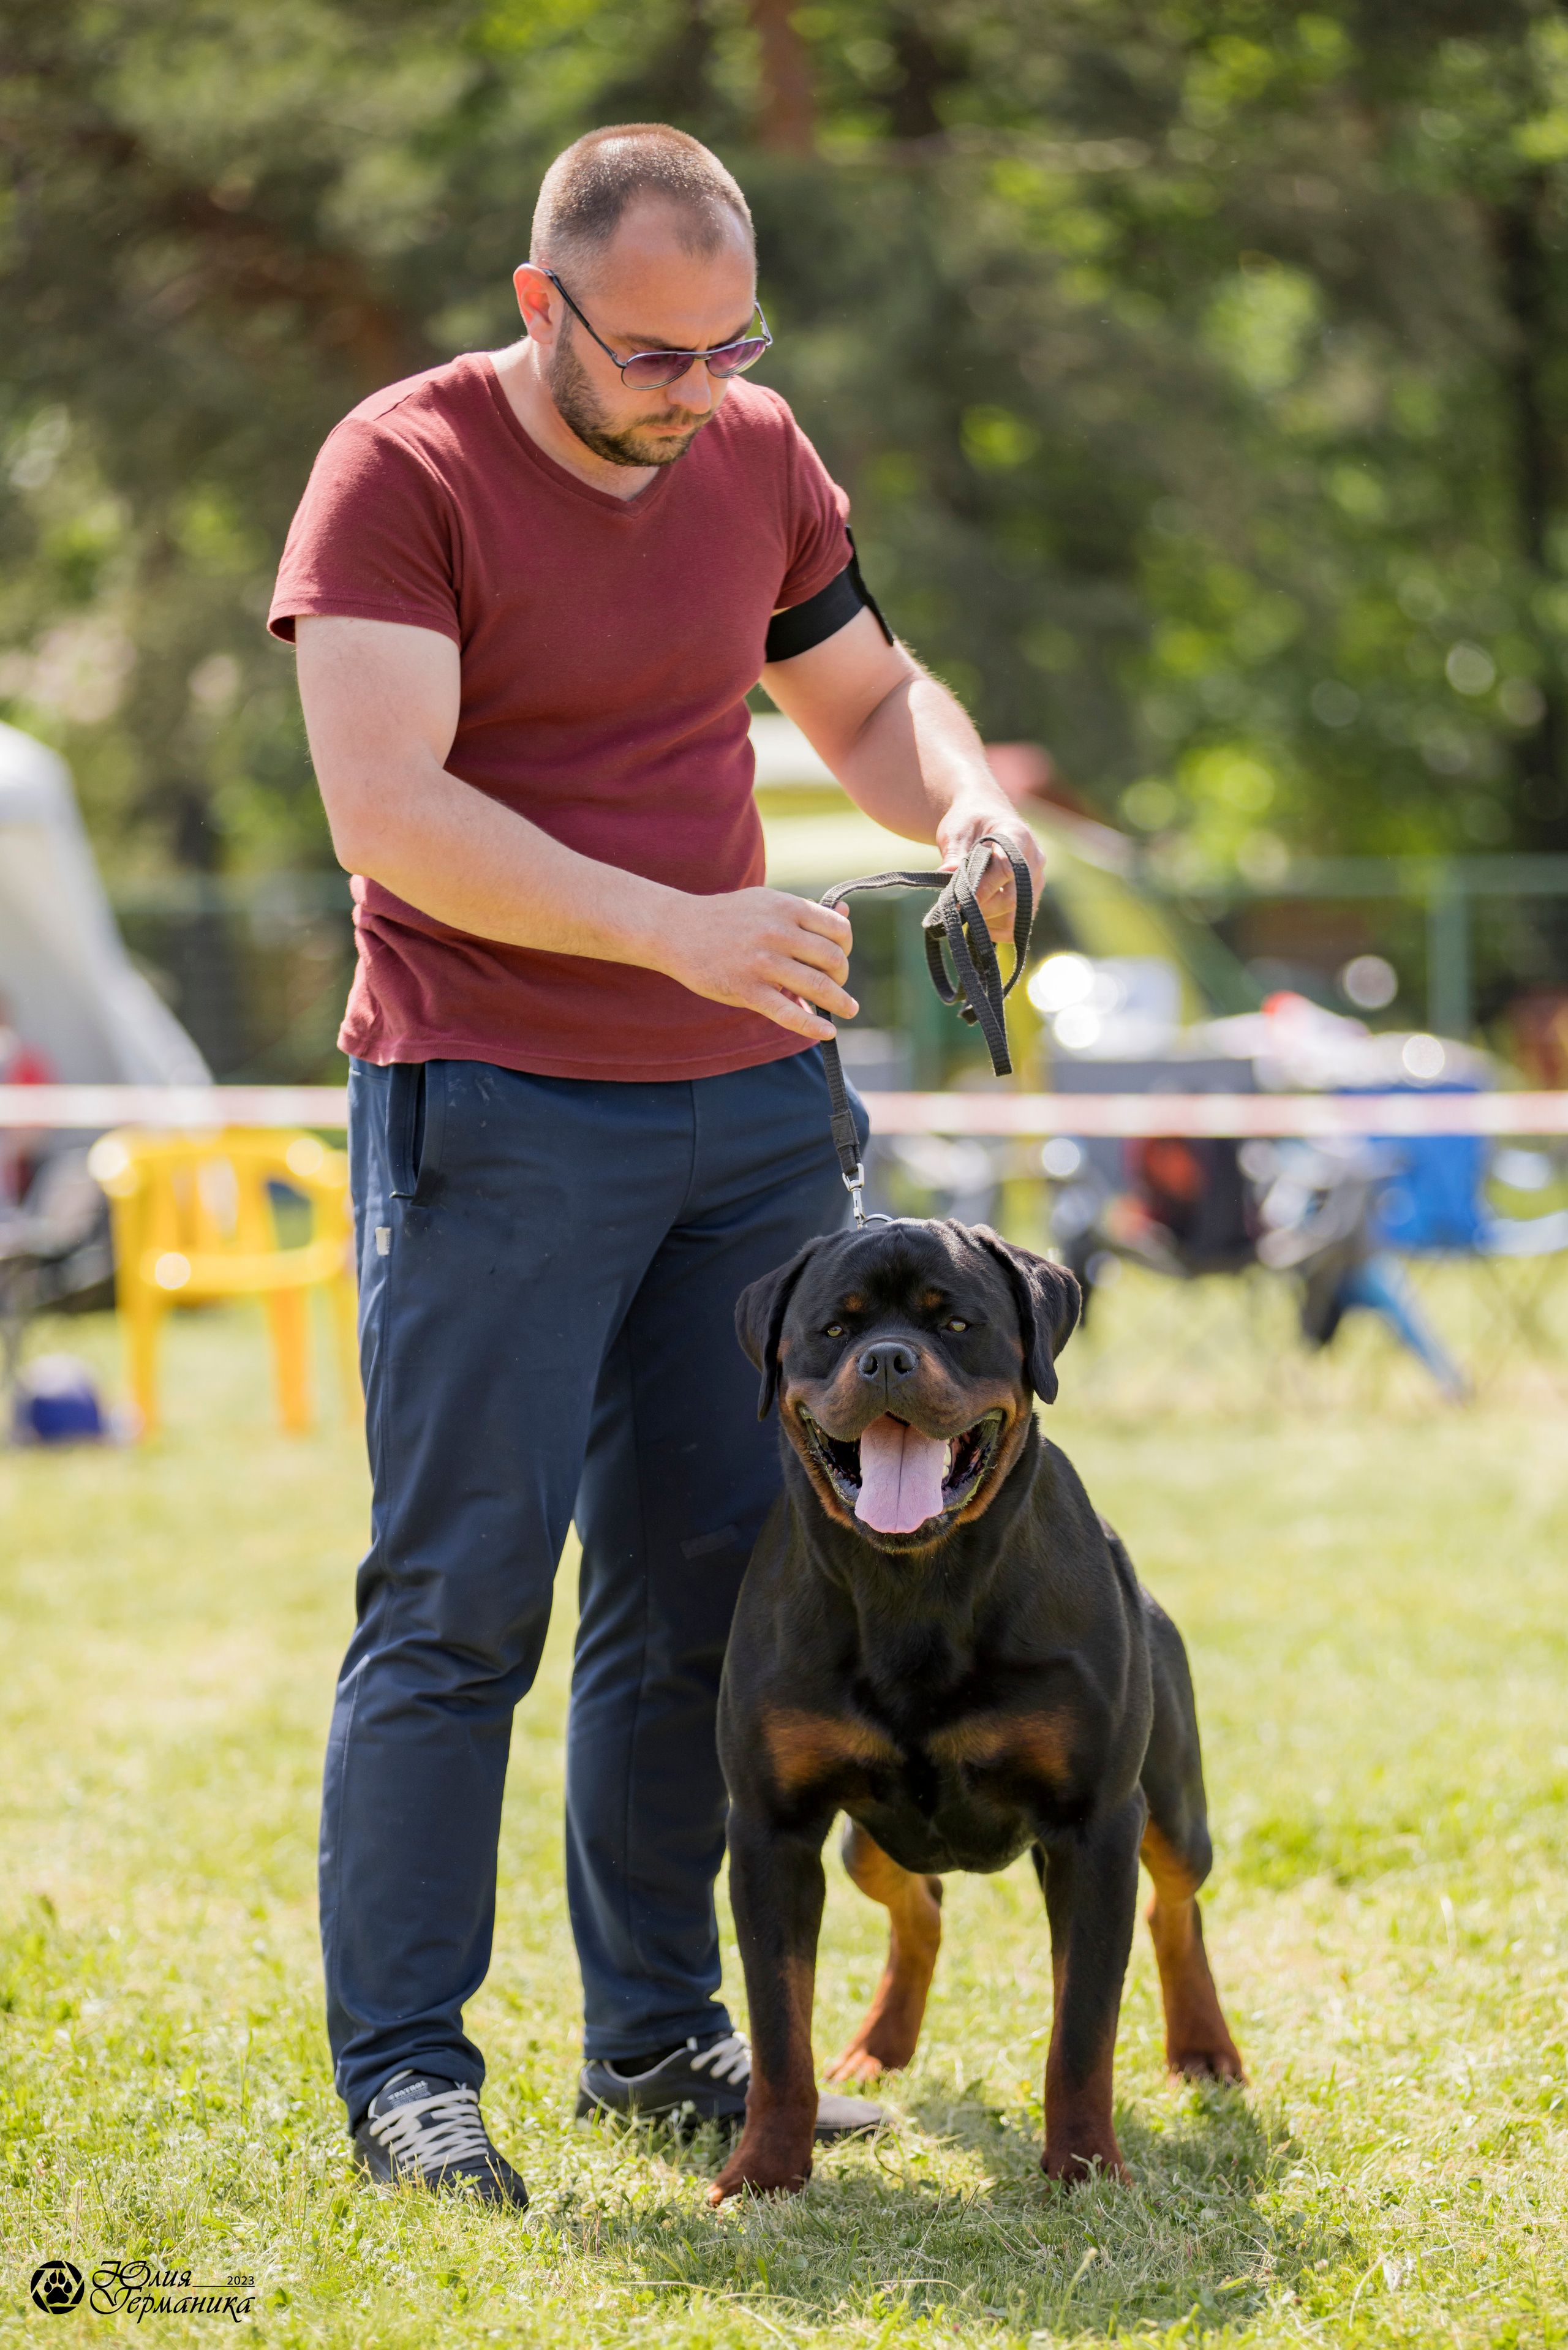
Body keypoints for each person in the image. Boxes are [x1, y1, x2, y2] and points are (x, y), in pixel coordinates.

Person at [270, 121, 1041, 2206]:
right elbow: (388, 817)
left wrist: (963, 804)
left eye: (731, 349)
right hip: (494, 1096)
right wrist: (683, 926)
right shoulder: (400, 470)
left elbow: (866, 696)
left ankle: (657, 2036)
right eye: (653, 357)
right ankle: (411, 2075)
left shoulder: (760, 454)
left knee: (706, 1592)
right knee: (459, 1605)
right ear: (543, 307)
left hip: (758, 1123)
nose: (699, 395)